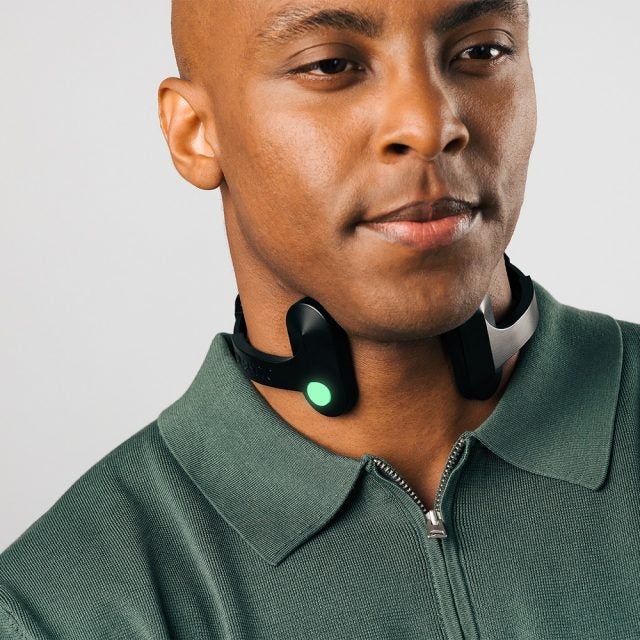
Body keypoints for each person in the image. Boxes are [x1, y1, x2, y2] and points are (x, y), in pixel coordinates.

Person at [1, 0, 639, 638]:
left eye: (482, 51)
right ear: (194, 131)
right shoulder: (53, 612)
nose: (428, 125)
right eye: (330, 65)